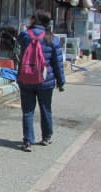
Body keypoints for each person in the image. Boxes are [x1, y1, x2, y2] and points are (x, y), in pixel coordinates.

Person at [16, 10, 66, 152]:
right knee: (45, 109)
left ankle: (27, 141)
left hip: (26, 79)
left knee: (28, 111)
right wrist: (61, 82)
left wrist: (26, 29)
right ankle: (46, 137)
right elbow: (58, 63)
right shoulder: (52, 39)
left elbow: (19, 41)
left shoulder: (25, 35)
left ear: (34, 20)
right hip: (45, 81)